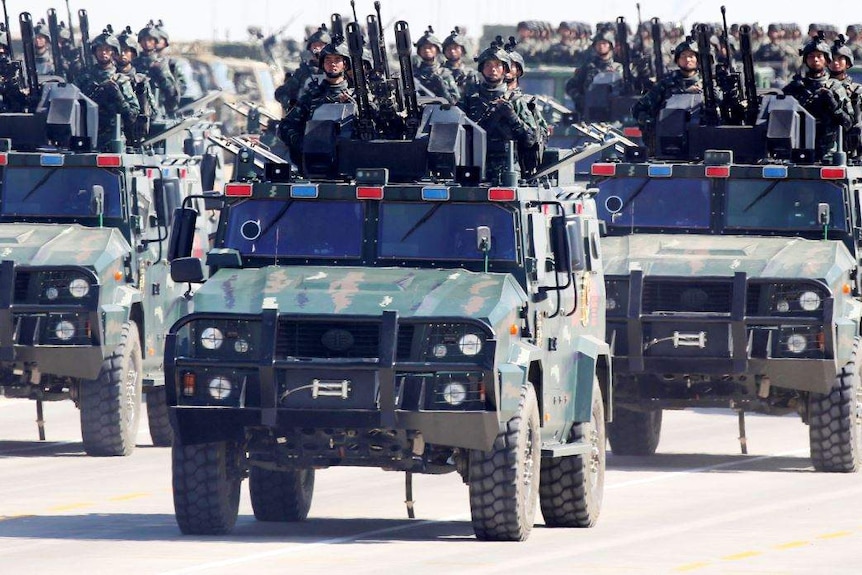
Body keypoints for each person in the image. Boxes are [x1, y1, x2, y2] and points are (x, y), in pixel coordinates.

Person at [459, 40, 537, 181]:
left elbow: (530, 139)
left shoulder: (515, 100)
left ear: (505, 69)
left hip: (508, 170)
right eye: (488, 65)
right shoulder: (469, 99)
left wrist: (512, 116)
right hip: (472, 167)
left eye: (497, 65)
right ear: (482, 69)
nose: (492, 69)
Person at [278, 41, 354, 167]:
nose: (332, 63)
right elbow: (285, 127)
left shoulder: (356, 98)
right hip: (316, 166)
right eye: (328, 60)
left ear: (345, 65)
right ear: (323, 64)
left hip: (353, 164)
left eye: (337, 59)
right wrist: (304, 144)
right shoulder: (311, 98)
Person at [783, 33, 854, 159]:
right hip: (796, 149)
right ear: (805, 59)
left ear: (827, 60)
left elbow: (847, 123)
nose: (815, 60)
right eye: (811, 56)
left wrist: (833, 104)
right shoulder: (795, 87)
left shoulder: (835, 87)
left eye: (819, 56)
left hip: (828, 153)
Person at [75, 30, 140, 150]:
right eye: (99, 49)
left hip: (113, 140)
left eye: (107, 49)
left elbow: (132, 115)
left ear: (114, 52)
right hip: (84, 137)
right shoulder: (84, 79)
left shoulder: (121, 80)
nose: (103, 53)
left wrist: (118, 96)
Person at [631, 38, 704, 131]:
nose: (687, 59)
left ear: (697, 59)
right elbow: (638, 109)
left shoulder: (707, 84)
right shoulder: (666, 84)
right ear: (677, 60)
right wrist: (655, 124)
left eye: (691, 56)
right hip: (671, 136)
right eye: (683, 56)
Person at [504, 44, 548, 175]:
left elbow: (536, 138)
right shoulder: (479, 99)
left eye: (509, 65)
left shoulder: (526, 103)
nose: (505, 70)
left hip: (517, 167)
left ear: (517, 70)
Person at [565, 30, 624, 121]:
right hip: (590, 115)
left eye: (604, 43)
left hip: (614, 115)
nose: (601, 46)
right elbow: (570, 86)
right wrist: (580, 98)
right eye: (598, 44)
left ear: (610, 45)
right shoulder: (588, 67)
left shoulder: (619, 68)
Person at [116, 26, 158, 142]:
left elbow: (154, 112)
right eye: (119, 51)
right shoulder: (110, 80)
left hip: (136, 136)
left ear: (133, 54)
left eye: (126, 51)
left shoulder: (140, 80)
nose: (122, 54)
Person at [275, 24, 330, 111]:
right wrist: (290, 103)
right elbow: (282, 93)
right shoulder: (304, 72)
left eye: (321, 45)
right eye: (315, 45)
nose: (317, 48)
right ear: (310, 47)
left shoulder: (338, 71)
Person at [133, 21, 180, 116]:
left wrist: (160, 73)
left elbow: (170, 91)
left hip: (157, 107)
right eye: (144, 40)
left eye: (150, 40)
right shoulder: (134, 62)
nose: (146, 43)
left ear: (155, 42)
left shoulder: (162, 63)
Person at [828, 36, 862, 158]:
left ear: (848, 63)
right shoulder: (822, 88)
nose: (835, 62)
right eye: (832, 59)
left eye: (840, 59)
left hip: (850, 145)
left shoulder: (856, 90)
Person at [413, 27, 460, 104]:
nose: (427, 50)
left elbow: (454, 101)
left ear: (437, 50)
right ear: (419, 51)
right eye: (424, 48)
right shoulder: (414, 75)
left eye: (430, 47)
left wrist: (441, 87)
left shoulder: (445, 73)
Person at [442, 27, 477, 100]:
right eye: (449, 48)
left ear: (463, 50)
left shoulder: (470, 74)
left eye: (455, 48)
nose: (452, 51)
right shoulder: (440, 73)